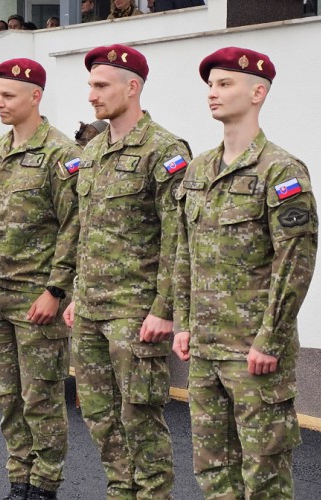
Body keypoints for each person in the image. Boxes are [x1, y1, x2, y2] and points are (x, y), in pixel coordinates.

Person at [172, 47, 317, 499]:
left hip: (254, 352)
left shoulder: (281, 170)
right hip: (207, 348)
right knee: (213, 470)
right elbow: (184, 252)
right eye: (210, 85)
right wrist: (183, 321)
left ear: (258, 92)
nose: (212, 93)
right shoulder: (197, 171)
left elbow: (295, 261)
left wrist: (270, 338)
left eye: (224, 83)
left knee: (264, 474)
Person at [62, 44, 191, 498]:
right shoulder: (93, 152)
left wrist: (165, 308)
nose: (91, 95)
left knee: (141, 420)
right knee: (99, 418)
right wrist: (78, 293)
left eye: (101, 86)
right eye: (90, 85)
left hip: (136, 314)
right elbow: (88, 230)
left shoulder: (165, 150)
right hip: (94, 310)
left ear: (131, 87)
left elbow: (179, 236)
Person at [0, 58, 81, 500]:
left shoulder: (62, 155)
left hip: (37, 296)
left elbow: (75, 226)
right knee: (7, 398)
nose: (0, 103)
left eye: (8, 95)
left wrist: (56, 291)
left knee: (41, 398)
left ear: (35, 96)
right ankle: (19, 480)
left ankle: (45, 485)